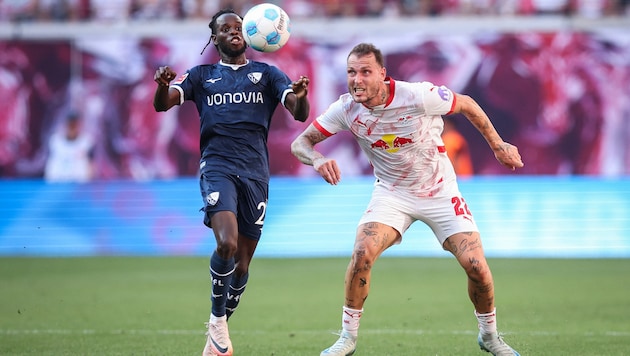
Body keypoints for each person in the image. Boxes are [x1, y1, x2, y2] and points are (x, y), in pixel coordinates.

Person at [291, 43, 523, 356]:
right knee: (362, 252)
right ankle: (347, 338)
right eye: (351, 72)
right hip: (392, 193)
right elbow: (301, 143)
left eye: (365, 72)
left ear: (382, 75)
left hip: (439, 189)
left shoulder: (418, 95)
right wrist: (316, 159)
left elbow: (466, 103)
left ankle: (489, 336)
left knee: (476, 266)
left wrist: (498, 146)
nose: (356, 80)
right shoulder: (346, 109)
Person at [152, 8, 310, 356]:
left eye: (238, 27)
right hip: (217, 166)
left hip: (255, 173)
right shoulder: (201, 76)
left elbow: (298, 112)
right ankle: (216, 320)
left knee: (241, 266)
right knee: (226, 243)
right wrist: (163, 87)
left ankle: (218, 327)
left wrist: (301, 94)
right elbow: (163, 105)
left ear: (250, 34)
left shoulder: (267, 75)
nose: (233, 32)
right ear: (215, 38)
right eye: (225, 29)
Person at [44, 111, 95, 182]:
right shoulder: (55, 142)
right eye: (70, 124)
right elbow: (49, 166)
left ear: (79, 125)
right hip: (58, 184)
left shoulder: (86, 142)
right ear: (65, 124)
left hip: (79, 186)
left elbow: (91, 166)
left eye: (74, 124)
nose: (72, 127)